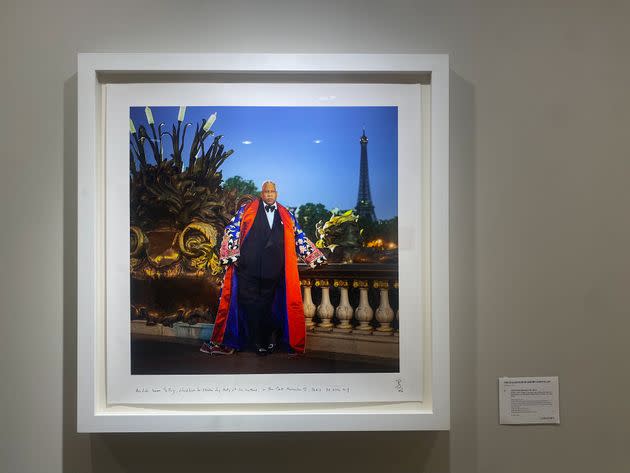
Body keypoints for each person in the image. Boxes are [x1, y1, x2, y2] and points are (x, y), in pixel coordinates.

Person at [200, 180, 326, 356]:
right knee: (248, 305)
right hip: (247, 268)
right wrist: (231, 254)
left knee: (268, 307)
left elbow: (299, 236)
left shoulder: (286, 214)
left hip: (274, 271)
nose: (269, 194)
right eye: (266, 191)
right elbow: (233, 229)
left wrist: (314, 258)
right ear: (262, 193)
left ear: (276, 193)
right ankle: (257, 342)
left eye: (272, 191)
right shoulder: (247, 209)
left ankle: (265, 342)